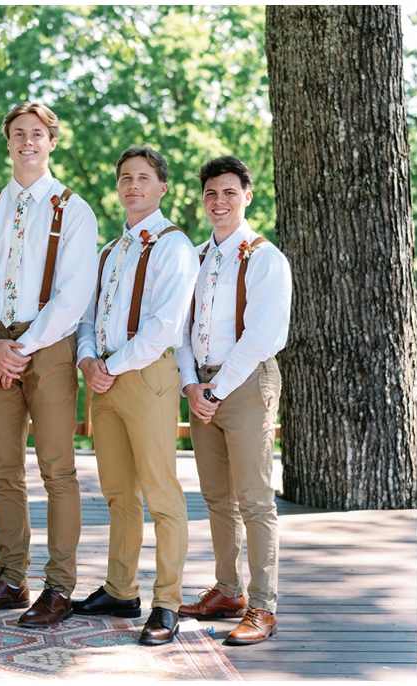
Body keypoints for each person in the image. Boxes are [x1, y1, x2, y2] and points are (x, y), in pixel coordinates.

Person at [0, 103, 98, 628]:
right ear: (8, 142)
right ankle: (11, 579)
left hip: (51, 348)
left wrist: (23, 348)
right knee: (3, 469)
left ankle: (59, 586)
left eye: (37, 134)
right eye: (18, 134)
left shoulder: (74, 210)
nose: (27, 142)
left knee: (58, 469)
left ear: (52, 141)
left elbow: (74, 293)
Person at [74, 146, 198, 646]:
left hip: (146, 378)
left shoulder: (174, 246)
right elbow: (86, 320)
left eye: (143, 178)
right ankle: (120, 589)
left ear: (162, 187)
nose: (132, 186)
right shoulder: (108, 251)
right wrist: (88, 362)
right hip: (103, 381)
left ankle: (167, 602)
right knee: (118, 493)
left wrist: (110, 365)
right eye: (125, 177)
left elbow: (164, 326)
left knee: (161, 492)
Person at [176, 156, 291, 646]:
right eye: (210, 194)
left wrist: (216, 390)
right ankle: (228, 591)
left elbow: (265, 334)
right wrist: (190, 386)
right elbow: (179, 329)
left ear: (247, 195)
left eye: (228, 192)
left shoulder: (265, 258)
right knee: (217, 497)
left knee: (255, 499)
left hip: (244, 383)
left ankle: (263, 606)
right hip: (202, 385)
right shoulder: (196, 256)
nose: (218, 201)